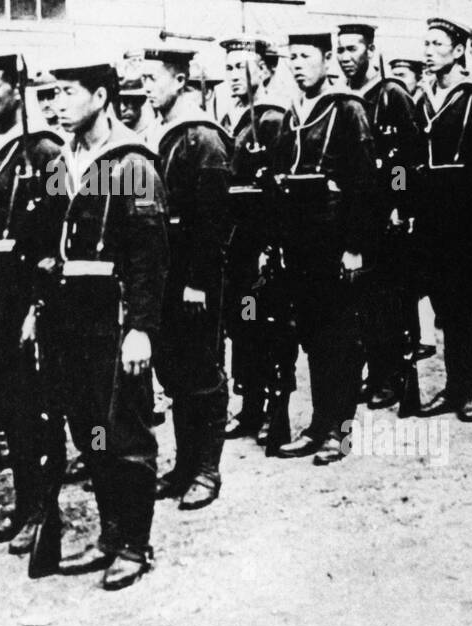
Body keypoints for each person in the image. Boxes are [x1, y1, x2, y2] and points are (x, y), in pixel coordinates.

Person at [37, 61, 168, 589]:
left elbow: (150, 254)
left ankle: (135, 544)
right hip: (69, 319)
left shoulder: (132, 162)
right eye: (53, 93)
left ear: (101, 95)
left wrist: (141, 328)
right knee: (87, 429)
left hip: (114, 320)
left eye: (69, 93)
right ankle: (109, 533)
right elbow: (47, 241)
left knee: (125, 431)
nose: (59, 102)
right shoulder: (59, 159)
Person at [0, 53, 65, 549]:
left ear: (16, 89)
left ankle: (45, 510)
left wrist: (37, 304)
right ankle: (24, 502)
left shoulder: (45, 150)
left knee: (36, 404)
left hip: (28, 297)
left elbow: (58, 232)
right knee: (7, 401)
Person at [272, 32, 376, 462]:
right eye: (292, 57)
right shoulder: (290, 114)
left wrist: (356, 247)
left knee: (341, 337)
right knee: (313, 337)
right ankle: (318, 424)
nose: (297, 65)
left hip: (336, 244)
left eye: (306, 57)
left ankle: (340, 430)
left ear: (327, 59)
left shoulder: (347, 109)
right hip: (301, 245)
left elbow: (367, 184)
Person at [141, 47, 232, 508]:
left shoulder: (203, 138)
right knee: (174, 372)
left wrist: (197, 280)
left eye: (154, 78)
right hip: (165, 274)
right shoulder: (159, 133)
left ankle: (207, 471)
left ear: (180, 81)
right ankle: (183, 466)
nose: (146, 86)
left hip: (194, 277)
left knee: (203, 371)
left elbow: (213, 220)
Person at [413, 19, 472, 422]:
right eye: (426, 44)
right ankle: (453, 386)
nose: (429, 51)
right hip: (431, 222)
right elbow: (408, 161)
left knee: (471, 306)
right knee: (444, 307)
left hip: (468, 222)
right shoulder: (420, 101)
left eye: (438, 44)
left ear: (458, 51)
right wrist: (405, 205)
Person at [335, 23, 423, 410]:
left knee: (387, 299)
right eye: (339, 50)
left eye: (352, 48)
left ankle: (390, 376)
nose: (345, 57)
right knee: (361, 300)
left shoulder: (392, 95)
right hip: (355, 214)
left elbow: (407, 157)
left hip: (386, 216)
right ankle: (372, 371)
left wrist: (399, 205)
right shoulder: (341, 99)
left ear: (371, 49)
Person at [219, 37, 292, 447]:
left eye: (241, 67)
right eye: (228, 68)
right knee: (243, 327)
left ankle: (275, 410)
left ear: (264, 71)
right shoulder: (234, 119)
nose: (232, 76)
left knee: (269, 328)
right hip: (238, 248)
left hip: (263, 249)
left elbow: (279, 192)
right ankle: (250, 408)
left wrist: (271, 246)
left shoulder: (273, 120)